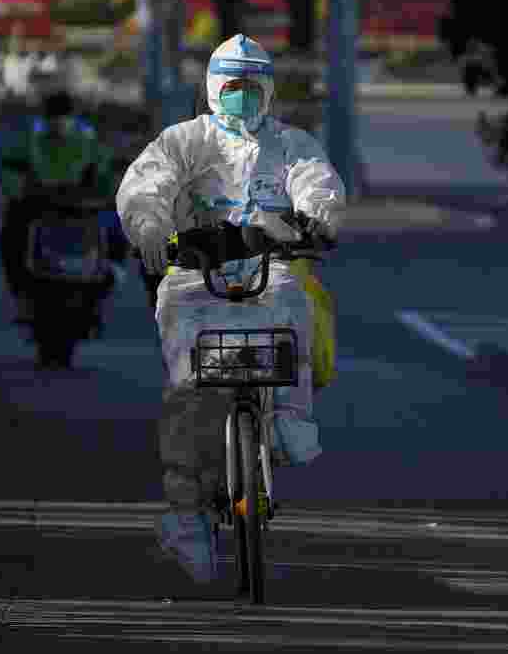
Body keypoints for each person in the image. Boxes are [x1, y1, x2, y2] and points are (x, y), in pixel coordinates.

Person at [115, 34, 345, 584]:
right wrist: (148, 226)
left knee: (294, 298)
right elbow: (146, 187)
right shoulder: (183, 142)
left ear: (266, 90)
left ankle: (290, 415)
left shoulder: (292, 144)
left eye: (252, 86)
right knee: (189, 391)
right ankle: (186, 516)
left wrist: (316, 217)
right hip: (197, 275)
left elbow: (317, 184)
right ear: (215, 89)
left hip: (271, 267)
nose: (242, 95)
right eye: (232, 85)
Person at [0, 90, 127, 322]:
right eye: (53, 117)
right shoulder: (32, 138)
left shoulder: (87, 138)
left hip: (83, 205)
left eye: (63, 117)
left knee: (115, 228)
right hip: (38, 205)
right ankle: (22, 294)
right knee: (11, 235)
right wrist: (18, 190)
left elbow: (106, 169)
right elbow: (9, 168)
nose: (58, 122)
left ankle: (110, 275)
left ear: (72, 117)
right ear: (46, 118)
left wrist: (111, 190)